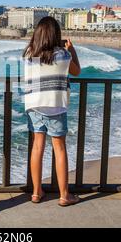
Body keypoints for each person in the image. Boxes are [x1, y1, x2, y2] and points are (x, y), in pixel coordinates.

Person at [23, 16, 81, 206]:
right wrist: (70, 49)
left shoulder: (28, 54)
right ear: (56, 35)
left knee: (37, 147)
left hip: (34, 105)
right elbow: (76, 71)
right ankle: (64, 195)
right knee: (60, 148)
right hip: (55, 104)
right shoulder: (63, 55)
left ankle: (36, 192)